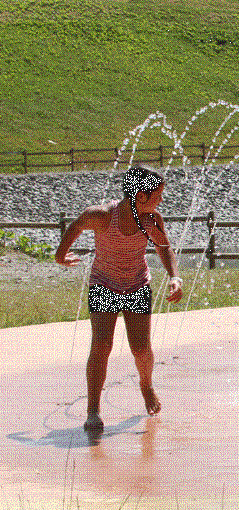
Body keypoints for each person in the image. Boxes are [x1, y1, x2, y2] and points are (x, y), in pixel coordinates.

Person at [55, 165, 183, 432]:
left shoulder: (152, 219)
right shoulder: (102, 216)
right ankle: (93, 409)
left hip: (137, 285)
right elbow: (76, 225)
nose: (161, 199)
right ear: (141, 196)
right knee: (102, 344)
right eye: (158, 194)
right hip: (104, 284)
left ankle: (146, 385)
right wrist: (60, 254)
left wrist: (174, 277)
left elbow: (165, 247)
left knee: (141, 349)